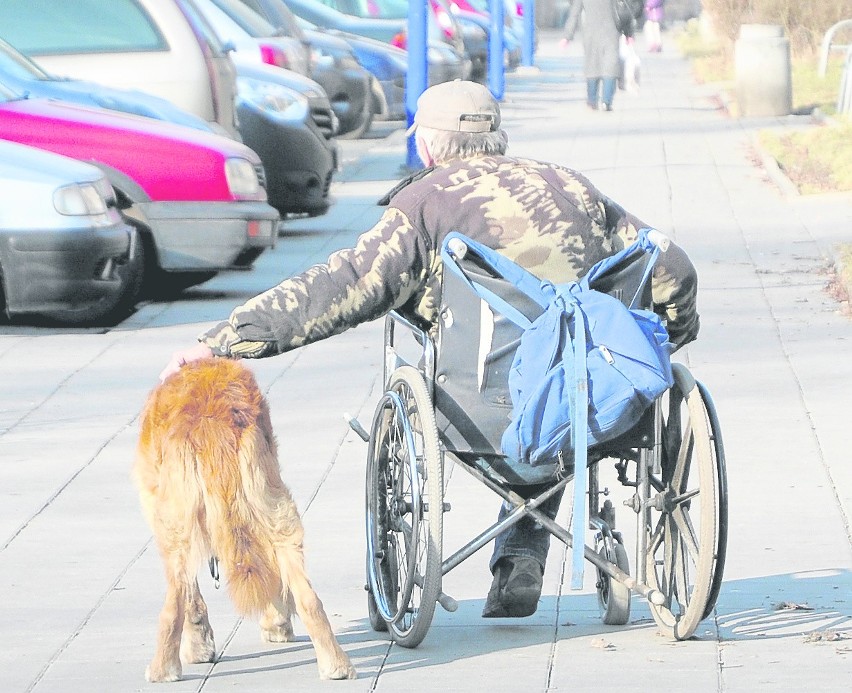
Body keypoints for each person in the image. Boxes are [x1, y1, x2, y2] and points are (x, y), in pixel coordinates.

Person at [161, 80, 700, 619]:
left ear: (428, 146)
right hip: (595, 402)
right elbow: (672, 270)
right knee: (556, 380)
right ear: (497, 138)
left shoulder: (425, 204)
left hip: (475, 410)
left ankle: (513, 552)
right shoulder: (571, 189)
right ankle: (521, 549)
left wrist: (227, 339)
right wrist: (664, 342)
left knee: (513, 384)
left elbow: (343, 288)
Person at [563, 0, 636, 111]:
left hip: (591, 33)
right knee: (610, 65)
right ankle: (606, 102)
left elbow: (574, 13)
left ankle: (592, 101)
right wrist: (628, 33)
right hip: (611, 31)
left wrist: (567, 36)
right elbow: (624, 9)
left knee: (592, 65)